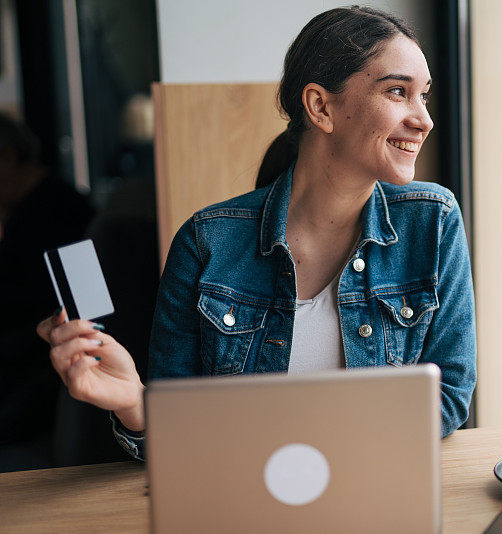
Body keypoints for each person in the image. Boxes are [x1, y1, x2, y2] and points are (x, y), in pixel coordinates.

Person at [36, 6, 476, 461]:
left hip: (377, 496)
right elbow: (180, 442)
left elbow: (449, 397)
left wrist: (306, 455)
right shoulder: (206, 242)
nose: (423, 119)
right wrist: (136, 405)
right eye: (398, 92)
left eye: (423, 96)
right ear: (321, 107)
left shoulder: (434, 222)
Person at [0, 114, 95, 470]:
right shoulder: (49, 204)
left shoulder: (48, 217)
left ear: (8, 159)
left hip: (45, 366)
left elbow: (27, 310)